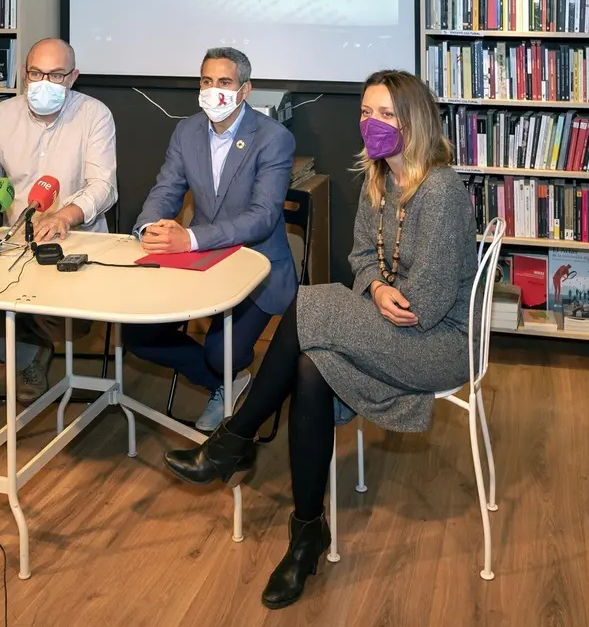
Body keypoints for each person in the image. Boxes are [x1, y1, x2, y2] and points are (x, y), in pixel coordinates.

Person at [162, 70, 477, 610]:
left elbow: (422, 308)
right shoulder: (381, 179)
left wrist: (377, 293)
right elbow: (360, 260)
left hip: (435, 345)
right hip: (390, 322)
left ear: (415, 122)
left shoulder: (441, 190)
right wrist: (376, 287)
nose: (371, 124)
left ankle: (232, 442)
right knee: (309, 366)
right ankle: (307, 533)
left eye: (386, 115)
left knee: (307, 304)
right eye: (366, 113)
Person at [125, 47, 296, 431]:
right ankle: (228, 383)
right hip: (201, 263)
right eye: (206, 81)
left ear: (245, 90)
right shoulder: (186, 130)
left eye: (224, 82)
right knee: (136, 335)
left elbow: (263, 217)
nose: (213, 90)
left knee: (222, 352)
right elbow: (166, 190)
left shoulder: (274, 138)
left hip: (259, 268)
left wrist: (189, 238)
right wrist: (149, 226)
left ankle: (228, 376)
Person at [0, 37, 118, 404]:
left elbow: (103, 185)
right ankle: (28, 355)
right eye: (36, 73)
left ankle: (28, 348)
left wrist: (66, 215)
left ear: (73, 77)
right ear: (25, 73)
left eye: (56, 75)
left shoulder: (95, 115)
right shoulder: (1, 115)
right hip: (11, 241)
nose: (44, 82)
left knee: (59, 315)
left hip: (72, 242)